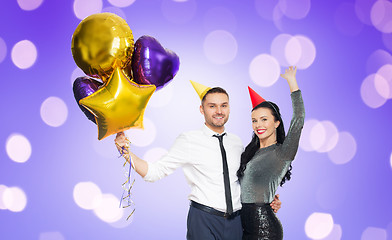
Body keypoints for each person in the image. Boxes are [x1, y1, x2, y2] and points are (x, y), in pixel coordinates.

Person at [114, 81, 282, 240]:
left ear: (229, 108)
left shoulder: (237, 142)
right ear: (201, 109)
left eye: (224, 105)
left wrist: (266, 199)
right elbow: (154, 172)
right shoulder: (188, 140)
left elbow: (244, 180)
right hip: (203, 219)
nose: (219, 111)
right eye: (212, 106)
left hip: (236, 222)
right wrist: (126, 153)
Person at [237, 66, 305, 240]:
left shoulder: (283, 152)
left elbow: (299, 118)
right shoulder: (249, 153)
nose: (258, 124)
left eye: (264, 119)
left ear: (276, 123)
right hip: (241, 225)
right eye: (254, 120)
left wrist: (292, 82)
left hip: (264, 228)